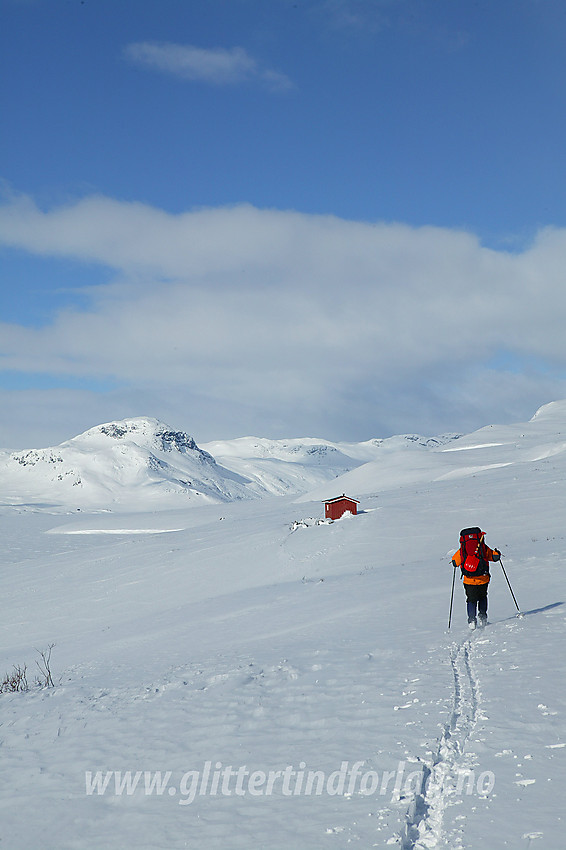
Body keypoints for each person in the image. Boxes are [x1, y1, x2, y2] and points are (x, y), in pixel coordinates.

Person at [452, 527, 501, 629]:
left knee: (471, 600)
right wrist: (497, 553)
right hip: (483, 578)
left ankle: (471, 620)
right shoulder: (483, 548)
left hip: (469, 580)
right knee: (483, 597)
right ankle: (483, 616)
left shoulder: (462, 550)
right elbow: (494, 557)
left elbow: (455, 562)